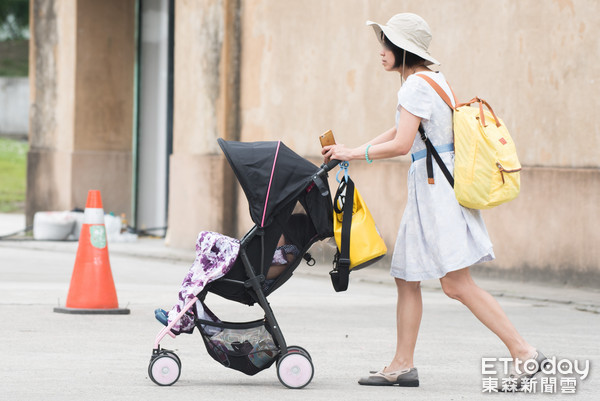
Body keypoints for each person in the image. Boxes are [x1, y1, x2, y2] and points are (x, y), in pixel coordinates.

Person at [322, 13, 546, 388]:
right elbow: (400, 129)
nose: (381, 51)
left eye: (387, 44)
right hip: (430, 189)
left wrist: (357, 154)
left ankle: (524, 352)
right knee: (407, 278)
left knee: (457, 284)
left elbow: (401, 144)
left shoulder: (415, 87)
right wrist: (351, 149)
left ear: (404, 50)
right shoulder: (431, 80)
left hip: (436, 193)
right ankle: (402, 364)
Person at [154, 213, 311, 326]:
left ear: (291, 235)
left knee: (204, 260)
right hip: (244, 272)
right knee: (203, 260)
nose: (276, 237)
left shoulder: (287, 254)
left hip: (246, 280)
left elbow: (261, 273)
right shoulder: (284, 253)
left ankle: (181, 318)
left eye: (280, 234)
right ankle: (182, 314)